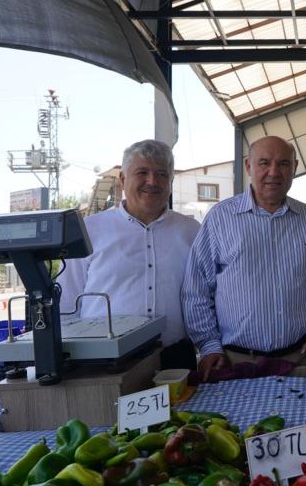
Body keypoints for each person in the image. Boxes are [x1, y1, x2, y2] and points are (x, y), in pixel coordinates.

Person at [183, 136, 306, 379]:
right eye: (264, 163)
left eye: (283, 164)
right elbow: (196, 290)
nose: (273, 172)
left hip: (301, 361)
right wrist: (209, 346)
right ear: (249, 166)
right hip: (235, 363)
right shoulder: (220, 219)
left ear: (295, 168)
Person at [58, 139, 201, 370]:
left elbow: (205, 296)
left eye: (162, 174)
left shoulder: (192, 231)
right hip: (103, 361)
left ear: (171, 182)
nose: (152, 181)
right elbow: (66, 302)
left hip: (176, 359)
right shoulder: (88, 231)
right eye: (142, 172)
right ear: (123, 179)